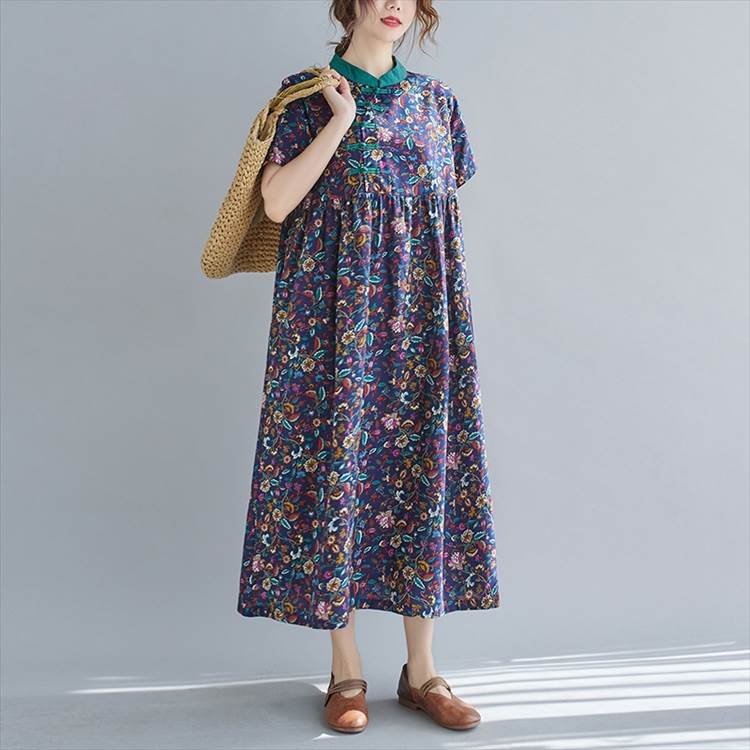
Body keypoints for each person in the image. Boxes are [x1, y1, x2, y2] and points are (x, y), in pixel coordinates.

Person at [236, 0, 501, 733]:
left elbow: (438, 212)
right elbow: (277, 203)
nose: (393, 6)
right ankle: (345, 670)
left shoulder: (438, 103)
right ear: (350, 4)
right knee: (337, 466)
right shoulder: (304, 96)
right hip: (332, 319)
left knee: (423, 466)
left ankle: (423, 672)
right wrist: (341, 121)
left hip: (420, 316)